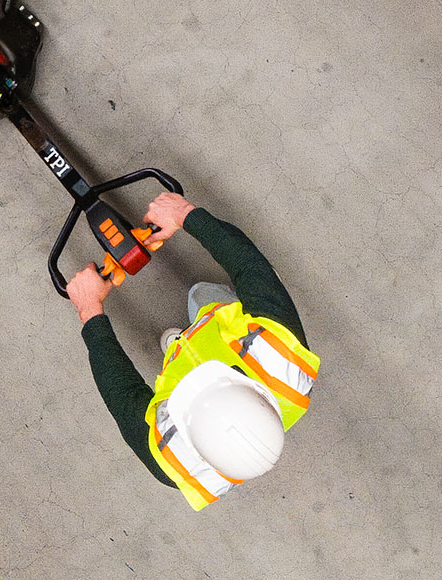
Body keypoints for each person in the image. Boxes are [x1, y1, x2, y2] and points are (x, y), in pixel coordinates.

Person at [67, 192, 320, 511]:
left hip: (205, 351)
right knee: (202, 295)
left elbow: (120, 391)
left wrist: (89, 309)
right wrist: (184, 213)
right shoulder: (281, 353)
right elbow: (248, 265)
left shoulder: (170, 459)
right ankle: (188, 335)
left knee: (196, 304)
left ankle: (179, 347)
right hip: (221, 326)